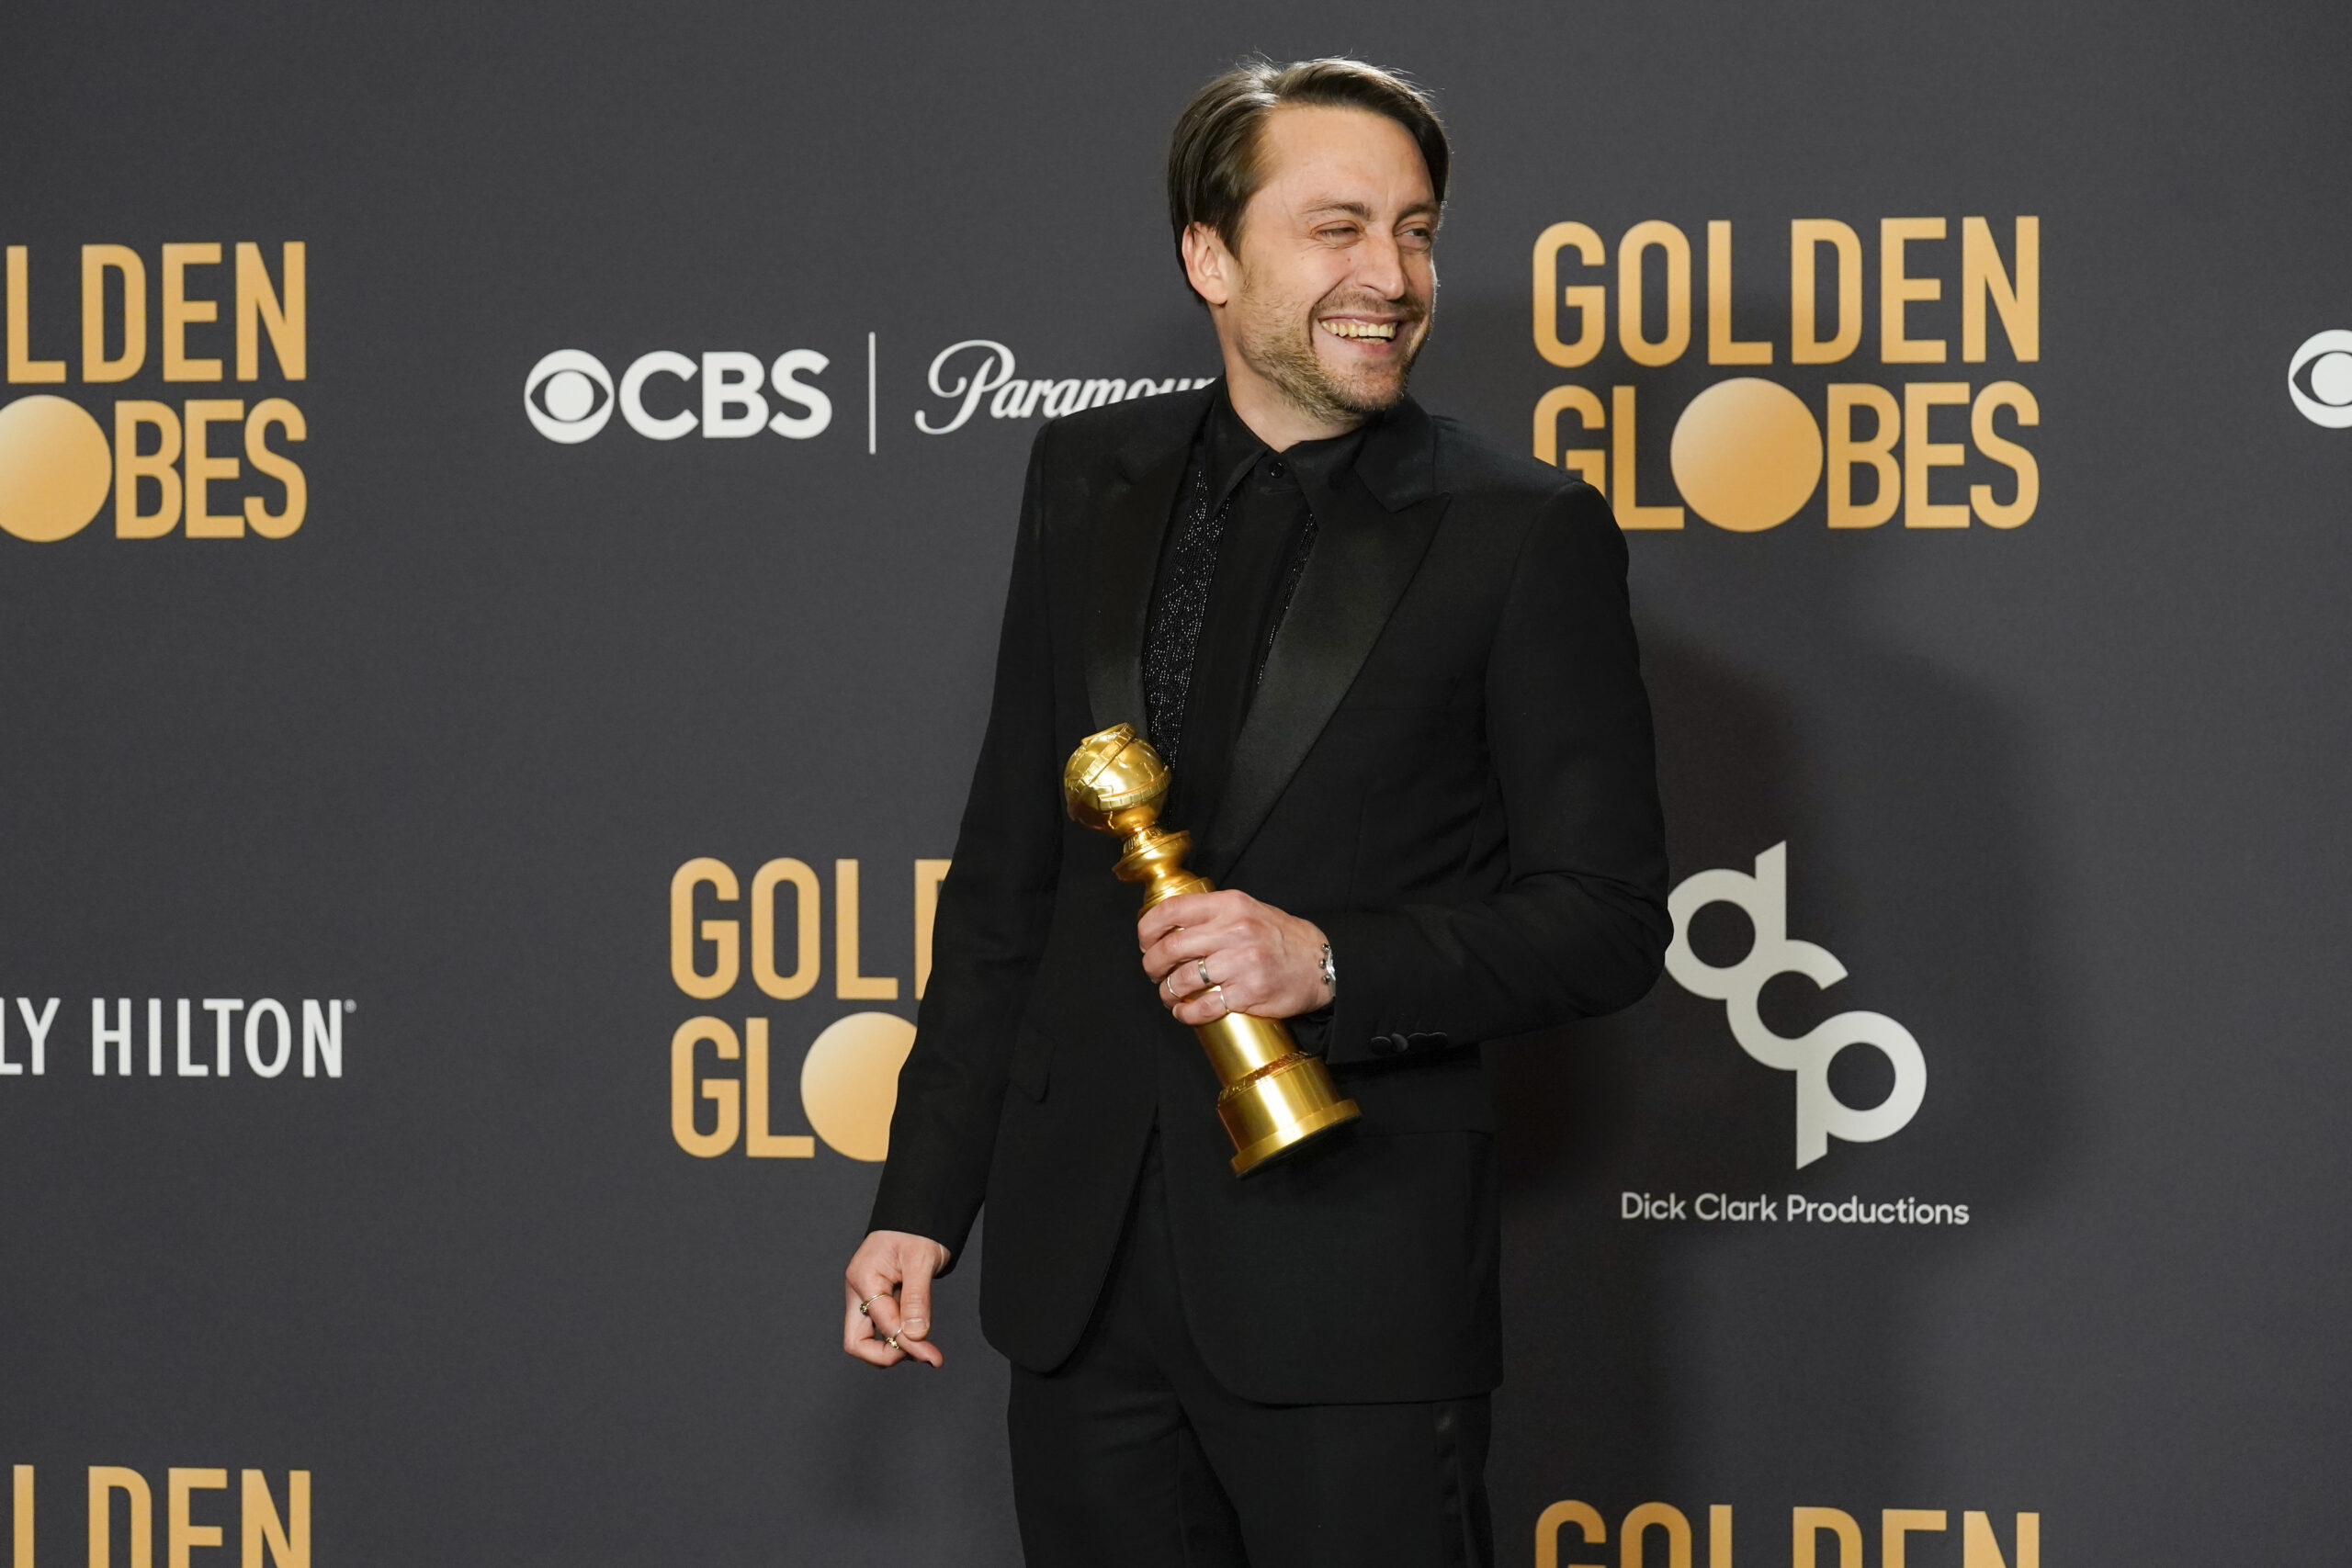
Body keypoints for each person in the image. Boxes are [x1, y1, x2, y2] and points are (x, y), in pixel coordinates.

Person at [841, 56, 1667, 1568]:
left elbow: (1607, 924)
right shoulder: (1083, 475)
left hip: (1347, 1287)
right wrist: (922, 1202)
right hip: (1079, 1285)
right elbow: (1011, 875)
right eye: (1337, 227)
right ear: (1209, 257)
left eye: (1416, 231)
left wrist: (1330, 963)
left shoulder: (1520, 531)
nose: (1392, 277)